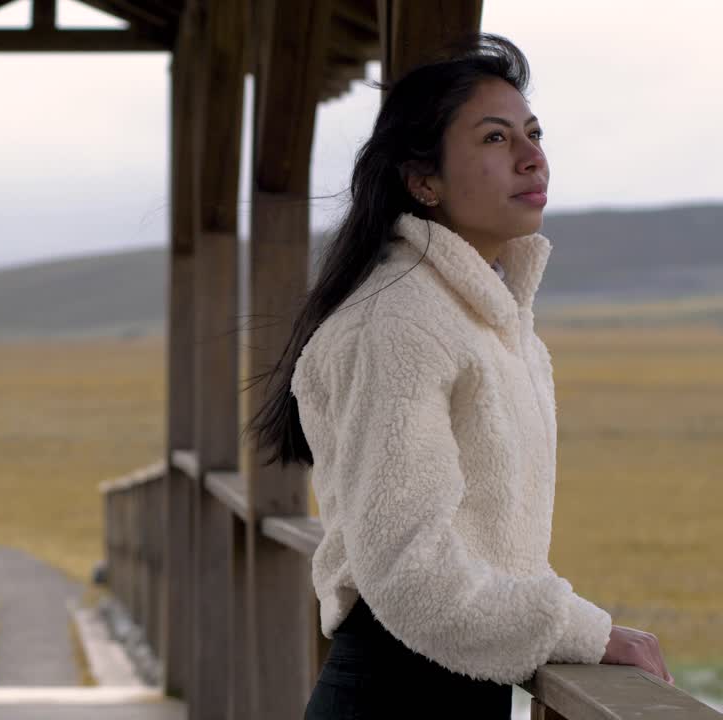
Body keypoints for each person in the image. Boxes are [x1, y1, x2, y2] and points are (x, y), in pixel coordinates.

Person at [246, 33, 673, 718]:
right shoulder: (398, 322)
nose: (533, 156)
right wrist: (584, 632)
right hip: (396, 694)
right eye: (496, 139)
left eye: (533, 134)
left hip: (457, 691)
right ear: (424, 181)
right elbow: (409, 568)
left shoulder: (490, 321)